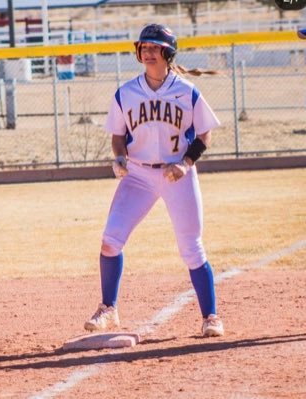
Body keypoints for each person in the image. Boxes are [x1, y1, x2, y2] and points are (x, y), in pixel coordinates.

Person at [84, 24, 224, 337]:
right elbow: (118, 135)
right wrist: (119, 158)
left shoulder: (187, 91)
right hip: (138, 175)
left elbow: (205, 134)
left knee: (192, 248)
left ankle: (210, 317)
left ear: (167, 52)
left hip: (177, 174)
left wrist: (186, 163)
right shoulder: (127, 92)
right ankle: (108, 309)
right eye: (143, 47)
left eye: (153, 47)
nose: (146, 52)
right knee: (110, 239)